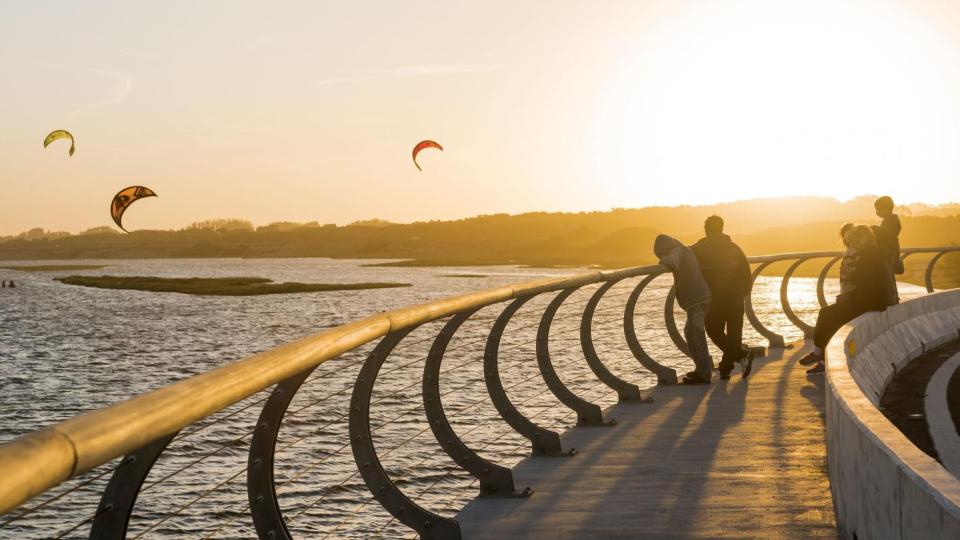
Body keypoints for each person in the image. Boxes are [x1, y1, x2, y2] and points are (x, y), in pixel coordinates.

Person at [799, 225, 896, 374]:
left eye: (854, 240)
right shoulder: (876, 252)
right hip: (879, 300)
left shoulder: (868, 255)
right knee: (832, 313)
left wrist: (850, 294)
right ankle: (821, 355)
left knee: (826, 314)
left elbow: (862, 281)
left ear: (860, 240)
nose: (852, 244)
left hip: (871, 302)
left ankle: (819, 353)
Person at [691, 215, 754, 380]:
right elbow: (746, 272)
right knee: (734, 334)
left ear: (706, 230)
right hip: (736, 297)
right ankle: (733, 362)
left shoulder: (701, 249)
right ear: (721, 228)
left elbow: (686, 252)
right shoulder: (734, 248)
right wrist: (744, 292)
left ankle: (737, 358)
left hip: (717, 299)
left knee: (712, 328)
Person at [654, 234, 713, 385]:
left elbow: (672, 262)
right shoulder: (685, 249)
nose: (660, 256)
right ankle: (701, 368)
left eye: (660, 253)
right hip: (701, 296)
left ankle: (704, 374)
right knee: (691, 332)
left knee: (697, 335)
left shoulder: (676, 252)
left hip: (696, 299)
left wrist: (663, 260)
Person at [873, 196, 902, 303]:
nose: (876, 212)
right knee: (890, 277)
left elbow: (887, 235)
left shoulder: (890, 220)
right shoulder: (893, 219)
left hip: (890, 254)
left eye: (878, 209)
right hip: (893, 252)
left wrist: (875, 230)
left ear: (885, 208)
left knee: (889, 277)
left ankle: (892, 298)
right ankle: (893, 298)